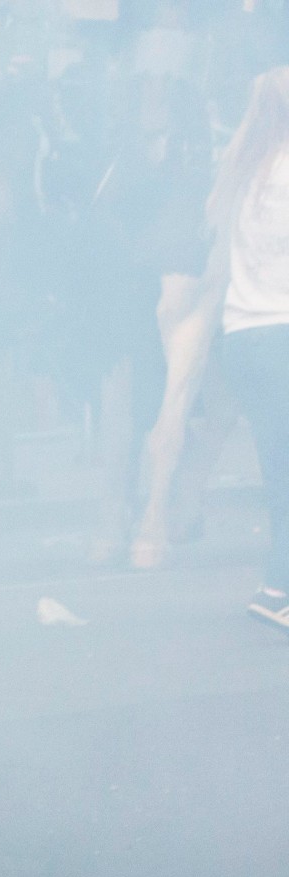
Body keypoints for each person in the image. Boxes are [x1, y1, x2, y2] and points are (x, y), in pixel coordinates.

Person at [205, 67, 289, 636]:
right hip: (282, 332)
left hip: (243, 334)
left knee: (279, 468)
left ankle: (278, 587)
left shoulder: (241, 171)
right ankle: (279, 589)